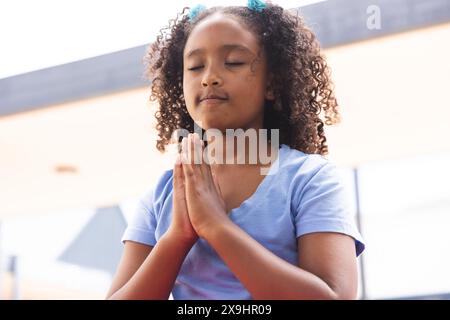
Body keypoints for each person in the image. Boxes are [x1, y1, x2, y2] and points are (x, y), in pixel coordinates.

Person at [106, 0, 365, 300]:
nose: (209, 77)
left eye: (234, 62)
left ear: (272, 83)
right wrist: (177, 237)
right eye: (195, 66)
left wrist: (215, 226)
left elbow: (335, 296)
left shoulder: (310, 180)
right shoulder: (160, 196)